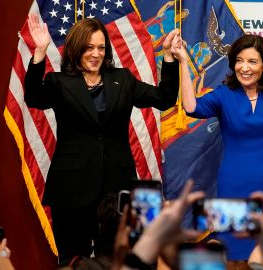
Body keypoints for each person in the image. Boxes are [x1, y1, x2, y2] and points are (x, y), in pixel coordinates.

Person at [24, 14, 180, 264]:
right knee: (74, 259)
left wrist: (169, 58)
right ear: (76, 49)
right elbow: (33, 98)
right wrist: (40, 51)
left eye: (100, 47)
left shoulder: (123, 79)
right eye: (88, 47)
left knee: (122, 258)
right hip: (72, 189)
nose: (95, 53)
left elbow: (164, 99)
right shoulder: (59, 82)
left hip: (117, 186)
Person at [171, 34, 263, 260]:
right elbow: (191, 106)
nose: (244, 67)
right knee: (234, 252)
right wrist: (183, 62)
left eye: (252, 62)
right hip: (233, 185)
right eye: (239, 60)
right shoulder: (224, 95)